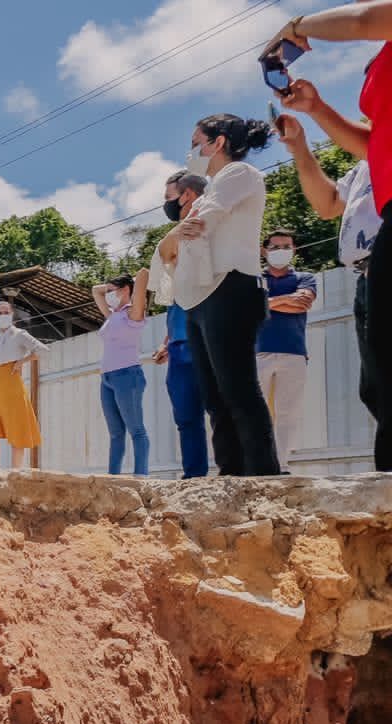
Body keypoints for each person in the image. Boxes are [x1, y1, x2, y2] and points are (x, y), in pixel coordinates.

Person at [263, 2, 392, 467]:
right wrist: (310, 119)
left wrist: (296, 28)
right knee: (377, 386)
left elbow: (363, 21)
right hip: (369, 272)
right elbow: (329, 202)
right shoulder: (370, 168)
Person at [156, 114, 281, 476]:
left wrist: (179, 234)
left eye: (197, 143)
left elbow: (202, 222)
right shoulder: (211, 187)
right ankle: (231, 475)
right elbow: (182, 237)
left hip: (233, 288)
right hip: (201, 298)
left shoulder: (239, 174)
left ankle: (263, 477)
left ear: (219, 142)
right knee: (214, 396)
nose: (192, 151)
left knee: (238, 389)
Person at [149, 171, 212, 479]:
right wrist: (166, 341)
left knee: (223, 410)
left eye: (168, 197)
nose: (166, 204)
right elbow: (176, 299)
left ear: (186, 195)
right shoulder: (175, 240)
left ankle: (237, 474)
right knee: (186, 418)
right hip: (178, 346)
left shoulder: (210, 228)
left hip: (209, 340)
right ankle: (194, 478)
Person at [254, 229, 317, 471]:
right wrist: (286, 300)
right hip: (258, 352)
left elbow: (303, 303)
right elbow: (252, 307)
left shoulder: (305, 277)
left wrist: (268, 303)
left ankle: (280, 464)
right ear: (264, 251)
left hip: (294, 352)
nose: (281, 251)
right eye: (275, 247)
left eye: (286, 247)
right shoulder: (255, 279)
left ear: (294, 249)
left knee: (288, 412)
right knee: (256, 412)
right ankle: (257, 462)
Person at [91, 271, 151, 476]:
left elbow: (144, 275)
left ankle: (141, 476)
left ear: (125, 290)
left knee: (136, 429)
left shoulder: (133, 313)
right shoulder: (112, 315)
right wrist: (113, 286)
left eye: (111, 290)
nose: (107, 294)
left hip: (127, 375)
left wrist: (131, 283)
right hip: (107, 378)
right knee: (116, 433)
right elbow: (95, 291)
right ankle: (113, 478)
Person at [0, 300, 44, 469]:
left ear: (12, 314)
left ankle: (16, 472)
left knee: (17, 431)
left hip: (12, 387)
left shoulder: (19, 334)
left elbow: (42, 350)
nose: (3, 316)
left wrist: (22, 361)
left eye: (6, 312)